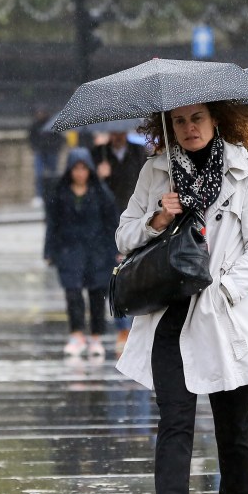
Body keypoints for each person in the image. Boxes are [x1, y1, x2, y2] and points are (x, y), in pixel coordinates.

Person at [116, 101, 248, 494]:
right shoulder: (156, 172)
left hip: (225, 316)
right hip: (170, 316)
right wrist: (158, 220)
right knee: (175, 422)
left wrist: (225, 290)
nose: (189, 128)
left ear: (216, 122)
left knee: (234, 428)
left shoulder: (247, 172)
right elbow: (124, 236)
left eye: (198, 119)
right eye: (180, 121)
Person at [44, 147, 119, 358]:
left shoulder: (102, 193)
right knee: (73, 294)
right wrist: (49, 250)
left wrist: (115, 250)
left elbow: (111, 223)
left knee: (97, 295)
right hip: (69, 251)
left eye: (83, 168)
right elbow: (53, 225)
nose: (79, 173)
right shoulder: (60, 194)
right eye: (75, 168)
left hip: (98, 253)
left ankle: (96, 337)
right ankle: (76, 334)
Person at [93, 129, 149, 352]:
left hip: (135, 221)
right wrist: (99, 176)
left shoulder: (139, 153)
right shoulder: (98, 155)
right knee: (113, 278)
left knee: (137, 277)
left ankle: (137, 326)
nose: (116, 136)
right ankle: (122, 328)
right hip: (107, 224)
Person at [29, 107, 66, 207]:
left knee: (53, 174)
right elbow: (31, 138)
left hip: (51, 152)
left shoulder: (52, 124)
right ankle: (39, 195)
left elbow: (60, 138)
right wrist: (36, 148)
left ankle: (53, 194)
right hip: (40, 152)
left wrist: (54, 147)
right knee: (39, 174)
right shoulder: (35, 125)